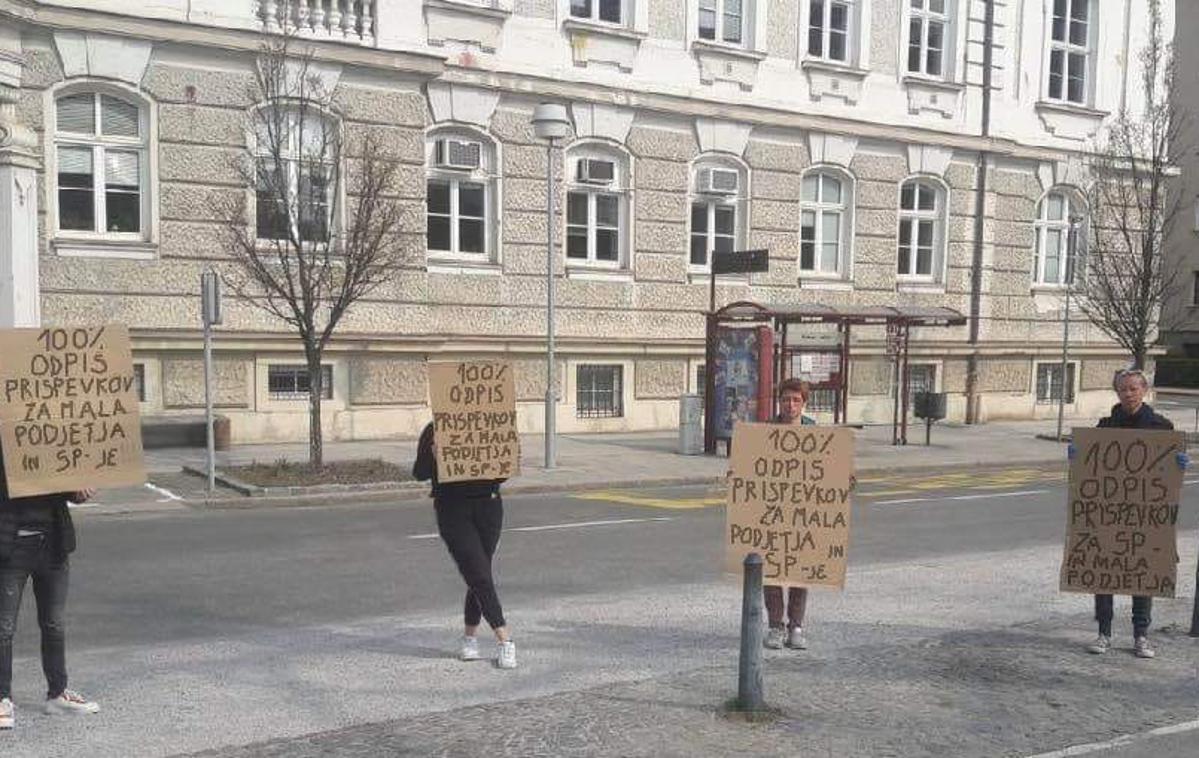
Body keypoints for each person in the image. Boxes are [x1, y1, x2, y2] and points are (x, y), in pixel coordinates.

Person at [1075, 368, 1187, 659]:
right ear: (1117, 392)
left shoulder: (1161, 427)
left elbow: (1168, 477)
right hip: (1110, 516)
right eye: (1123, 389)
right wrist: (1079, 456)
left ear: (1144, 390)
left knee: (1142, 573)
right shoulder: (1105, 426)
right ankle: (1104, 632)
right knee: (1104, 572)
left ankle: (1141, 635)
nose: (1128, 394)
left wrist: (1179, 463)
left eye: (1133, 389)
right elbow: (1092, 467)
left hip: (1145, 517)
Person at [0, 444, 101, 731]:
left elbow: (68, 488)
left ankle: (57, 694)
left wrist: (79, 490)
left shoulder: (55, 437)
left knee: (54, 623)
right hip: (11, 544)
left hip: (53, 543)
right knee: (4, 627)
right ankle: (2, 698)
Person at [412, 421, 517, 669]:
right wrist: (434, 454)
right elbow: (419, 473)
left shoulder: (491, 425)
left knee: (479, 574)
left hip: (489, 506)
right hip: (452, 508)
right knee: (478, 573)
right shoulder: (435, 428)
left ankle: (469, 638)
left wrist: (506, 451)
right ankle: (505, 639)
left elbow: (503, 473)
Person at [763, 377, 816, 651]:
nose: (790, 405)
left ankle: (796, 626)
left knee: (799, 572)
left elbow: (829, 468)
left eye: (796, 400)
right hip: (773, 512)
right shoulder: (766, 431)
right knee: (771, 572)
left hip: (802, 514)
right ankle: (774, 626)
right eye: (786, 399)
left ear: (804, 404)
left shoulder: (815, 433)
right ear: (779, 402)